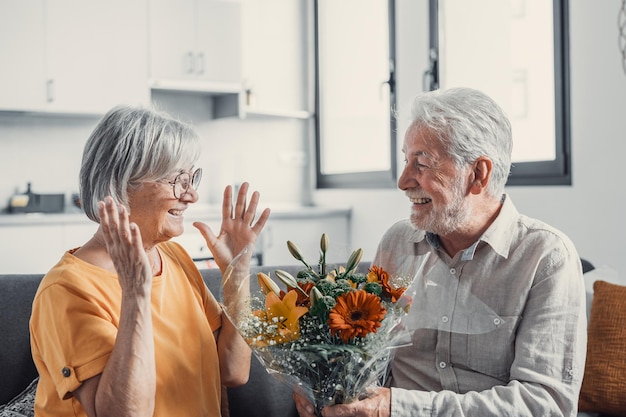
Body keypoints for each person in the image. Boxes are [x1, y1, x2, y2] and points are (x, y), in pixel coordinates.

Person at [294, 87, 587, 417]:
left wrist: (395, 408)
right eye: (406, 161)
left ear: (478, 174)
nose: (404, 181)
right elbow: (368, 362)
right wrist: (324, 385)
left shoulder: (546, 257)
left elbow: (545, 406)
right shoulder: (397, 242)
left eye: (421, 164)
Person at [29, 105, 271, 417]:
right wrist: (135, 294)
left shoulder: (173, 257)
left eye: (192, 177)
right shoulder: (65, 289)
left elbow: (232, 371)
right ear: (122, 183)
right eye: (177, 179)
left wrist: (236, 277)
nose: (191, 195)